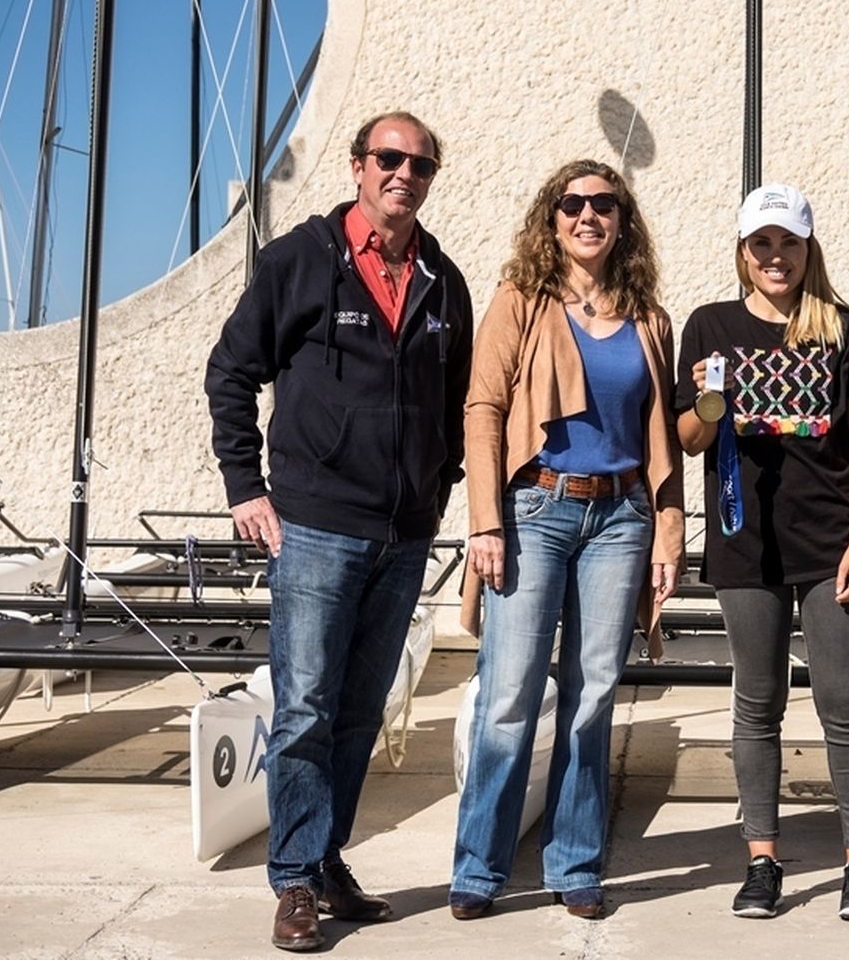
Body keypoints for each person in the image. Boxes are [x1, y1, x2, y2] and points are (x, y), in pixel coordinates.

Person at [205, 111, 473, 952]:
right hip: (316, 528)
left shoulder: (443, 278)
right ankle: (292, 880)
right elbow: (231, 372)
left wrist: (441, 484)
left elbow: (460, 405)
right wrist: (247, 487)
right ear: (358, 166)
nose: (405, 173)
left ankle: (325, 858)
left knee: (362, 710)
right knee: (306, 709)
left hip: (404, 534)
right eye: (389, 158)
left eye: (420, 164)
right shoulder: (301, 260)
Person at [450, 158, 684, 922]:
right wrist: (484, 519)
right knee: (511, 693)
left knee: (593, 697)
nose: (588, 216)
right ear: (551, 218)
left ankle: (575, 860)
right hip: (535, 512)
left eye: (604, 204)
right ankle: (480, 865)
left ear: (623, 219)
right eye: (572, 203)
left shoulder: (650, 314)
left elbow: (664, 442)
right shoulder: (521, 300)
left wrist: (668, 532)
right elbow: (482, 410)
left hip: (621, 518)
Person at [675, 183, 849, 921]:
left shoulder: (845, 330)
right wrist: (708, 401)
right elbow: (690, 438)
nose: (775, 257)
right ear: (742, 250)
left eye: (788, 243)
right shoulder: (708, 325)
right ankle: (762, 860)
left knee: (843, 706)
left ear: (807, 249)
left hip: (831, 547)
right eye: (761, 244)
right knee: (757, 704)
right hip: (744, 543)